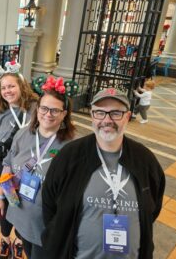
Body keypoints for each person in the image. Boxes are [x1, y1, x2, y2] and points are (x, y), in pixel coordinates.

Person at [42, 88, 165, 259]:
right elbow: (49, 206)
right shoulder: (69, 156)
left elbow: (152, 208)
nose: (107, 120)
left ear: (127, 117)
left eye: (116, 113)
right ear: (92, 115)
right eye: (100, 112)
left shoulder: (145, 160)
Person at [0, 76, 75, 259]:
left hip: (46, 223)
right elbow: (8, 163)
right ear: (37, 109)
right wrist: (0, 197)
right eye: (44, 108)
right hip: (19, 211)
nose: (48, 114)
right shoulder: (23, 134)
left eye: (55, 110)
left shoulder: (71, 147)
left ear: (64, 114)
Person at [0, 67, 38, 259]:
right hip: (4, 169)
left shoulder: (36, 108)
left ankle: (20, 240)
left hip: (30, 168)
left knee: (26, 205)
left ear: (21, 86)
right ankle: (5, 238)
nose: (7, 91)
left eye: (11, 86)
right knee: (5, 204)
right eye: (3, 88)